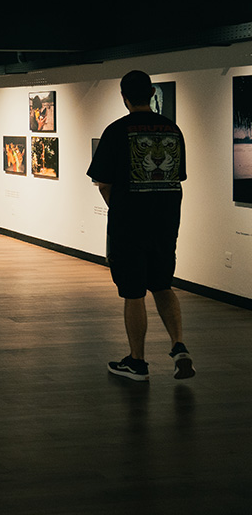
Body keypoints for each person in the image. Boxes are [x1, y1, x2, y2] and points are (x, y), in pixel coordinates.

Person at [87, 70, 194, 381]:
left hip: (129, 225)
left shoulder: (116, 130)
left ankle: (137, 362)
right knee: (162, 285)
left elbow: (103, 183)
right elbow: (178, 176)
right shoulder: (173, 130)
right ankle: (179, 346)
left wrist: (120, 210)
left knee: (133, 292)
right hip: (166, 222)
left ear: (124, 97)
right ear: (152, 94)